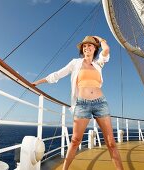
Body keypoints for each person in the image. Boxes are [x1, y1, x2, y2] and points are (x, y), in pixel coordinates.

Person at [32, 36, 124, 170]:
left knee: (111, 143)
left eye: (90, 45)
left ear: (95, 48)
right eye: (84, 46)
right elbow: (57, 74)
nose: (87, 48)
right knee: (75, 141)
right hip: (82, 104)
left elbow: (107, 49)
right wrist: (38, 82)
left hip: (101, 104)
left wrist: (99, 39)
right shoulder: (75, 63)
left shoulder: (99, 64)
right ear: (82, 49)